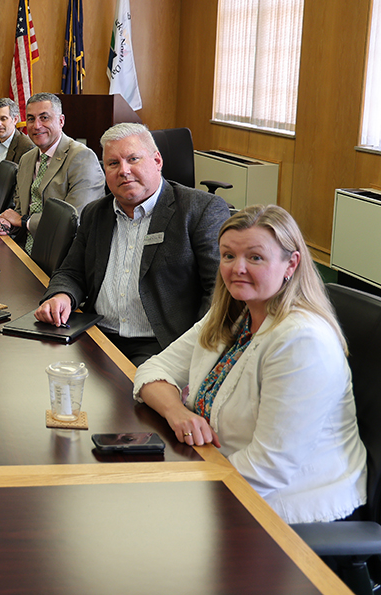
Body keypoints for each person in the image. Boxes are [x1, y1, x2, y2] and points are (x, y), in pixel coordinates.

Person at [133, 205, 366, 523]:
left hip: (286, 510)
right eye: (228, 256)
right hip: (223, 475)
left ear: (291, 263)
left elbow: (268, 467)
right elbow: (152, 370)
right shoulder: (235, 313)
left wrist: (184, 490)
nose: (237, 268)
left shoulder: (302, 340)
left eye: (255, 257)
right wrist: (177, 412)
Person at [34, 122, 230, 365]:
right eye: (113, 163)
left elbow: (219, 290)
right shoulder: (95, 213)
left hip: (162, 345)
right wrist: (61, 296)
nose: (123, 171)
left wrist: (195, 350)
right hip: (95, 334)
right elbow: (72, 271)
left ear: (157, 161)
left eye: (133, 159)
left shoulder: (200, 210)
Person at [0, 93, 104, 253]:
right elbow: (21, 209)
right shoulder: (26, 159)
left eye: (44, 118)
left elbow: (75, 220)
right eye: (31, 119)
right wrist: (7, 223)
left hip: (61, 255)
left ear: (61, 121)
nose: (36, 126)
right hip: (22, 249)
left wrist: (24, 221)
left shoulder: (82, 158)